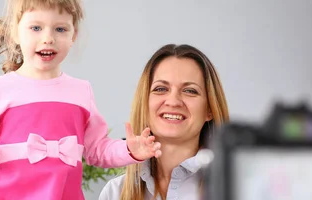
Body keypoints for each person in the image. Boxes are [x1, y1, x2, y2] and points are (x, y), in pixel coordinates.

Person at [0, 0, 162, 199]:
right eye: (36, 28)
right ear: (15, 32)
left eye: (60, 29)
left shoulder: (81, 91)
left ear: (73, 35)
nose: (48, 38)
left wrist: (130, 151)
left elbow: (97, 151)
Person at [98, 44, 230, 200]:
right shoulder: (115, 193)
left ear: (209, 109)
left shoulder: (235, 190)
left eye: (190, 91)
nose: (173, 101)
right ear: (145, 103)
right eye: (160, 89)